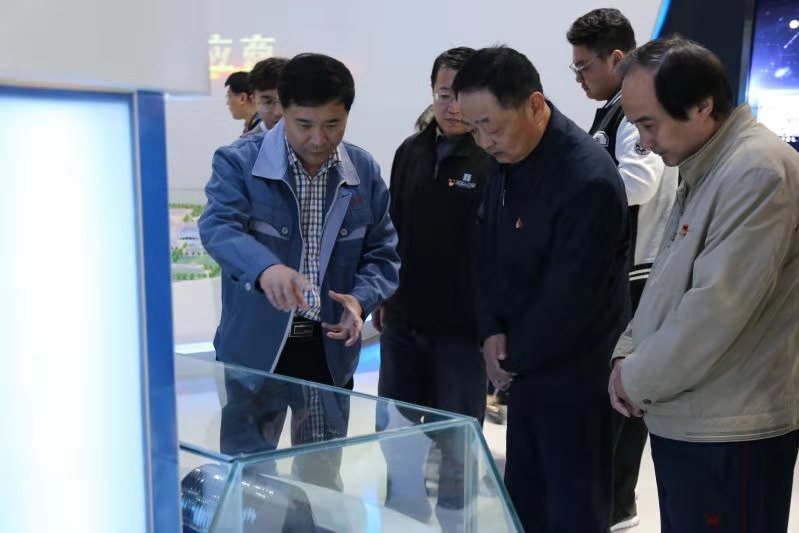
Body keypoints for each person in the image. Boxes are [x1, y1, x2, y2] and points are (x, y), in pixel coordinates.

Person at [610, 36, 799, 533]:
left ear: (701, 106)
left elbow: (715, 311)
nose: (645, 142)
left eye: (649, 124)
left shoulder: (755, 170)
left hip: (729, 429)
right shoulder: (707, 162)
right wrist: (627, 351)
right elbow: (667, 280)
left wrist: (634, 378)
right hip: (693, 414)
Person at [199, 53, 400, 488]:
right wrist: (265, 268)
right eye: (304, 124)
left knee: (321, 478)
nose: (318, 139)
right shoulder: (240, 162)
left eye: (332, 124)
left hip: (327, 350)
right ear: (282, 111)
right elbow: (217, 226)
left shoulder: (362, 170)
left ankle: (310, 519)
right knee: (249, 476)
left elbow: (382, 253)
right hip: (256, 348)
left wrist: (360, 299)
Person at [454, 46, 631, 532]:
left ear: (533, 105)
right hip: (525, 367)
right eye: (473, 128)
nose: (483, 141)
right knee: (526, 502)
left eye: (490, 125)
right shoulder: (508, 155)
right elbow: (486, 248)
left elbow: (570, 296)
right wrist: (490, 330)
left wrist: (510, 359)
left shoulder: (587, 178)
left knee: (572, 509)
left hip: (577, 376)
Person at [566, 8, 678, 530]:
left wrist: (575, 188)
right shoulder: (612, 111)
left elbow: (638, 182)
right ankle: (612, 499)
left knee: (623, 392)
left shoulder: (632, 114)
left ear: (616, 58)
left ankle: (615, 503)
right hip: (625, 270)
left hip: (638, 274)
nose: (579, 77)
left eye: (583, 66)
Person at [372, 46, 490, 526]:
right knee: (394, 431)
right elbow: (392, 228)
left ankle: (457, 522)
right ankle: (403, 517)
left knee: (457, 439)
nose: (452, 106)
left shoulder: (493, 156)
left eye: (462, 95)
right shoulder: (411, 151)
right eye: (444, 94)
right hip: (403, 322)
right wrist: (384, 293)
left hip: (463, 331)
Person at [248, 56, 289, 132]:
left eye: (285, 100)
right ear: (253, 101)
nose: (278, 113)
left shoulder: (312, 137)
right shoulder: (248, 140)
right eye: (268, 102)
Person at [224, 71, 261, 135]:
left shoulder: (262, 129)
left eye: (229, 96)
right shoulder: (251, 126)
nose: (227, 103)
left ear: (242, 98)